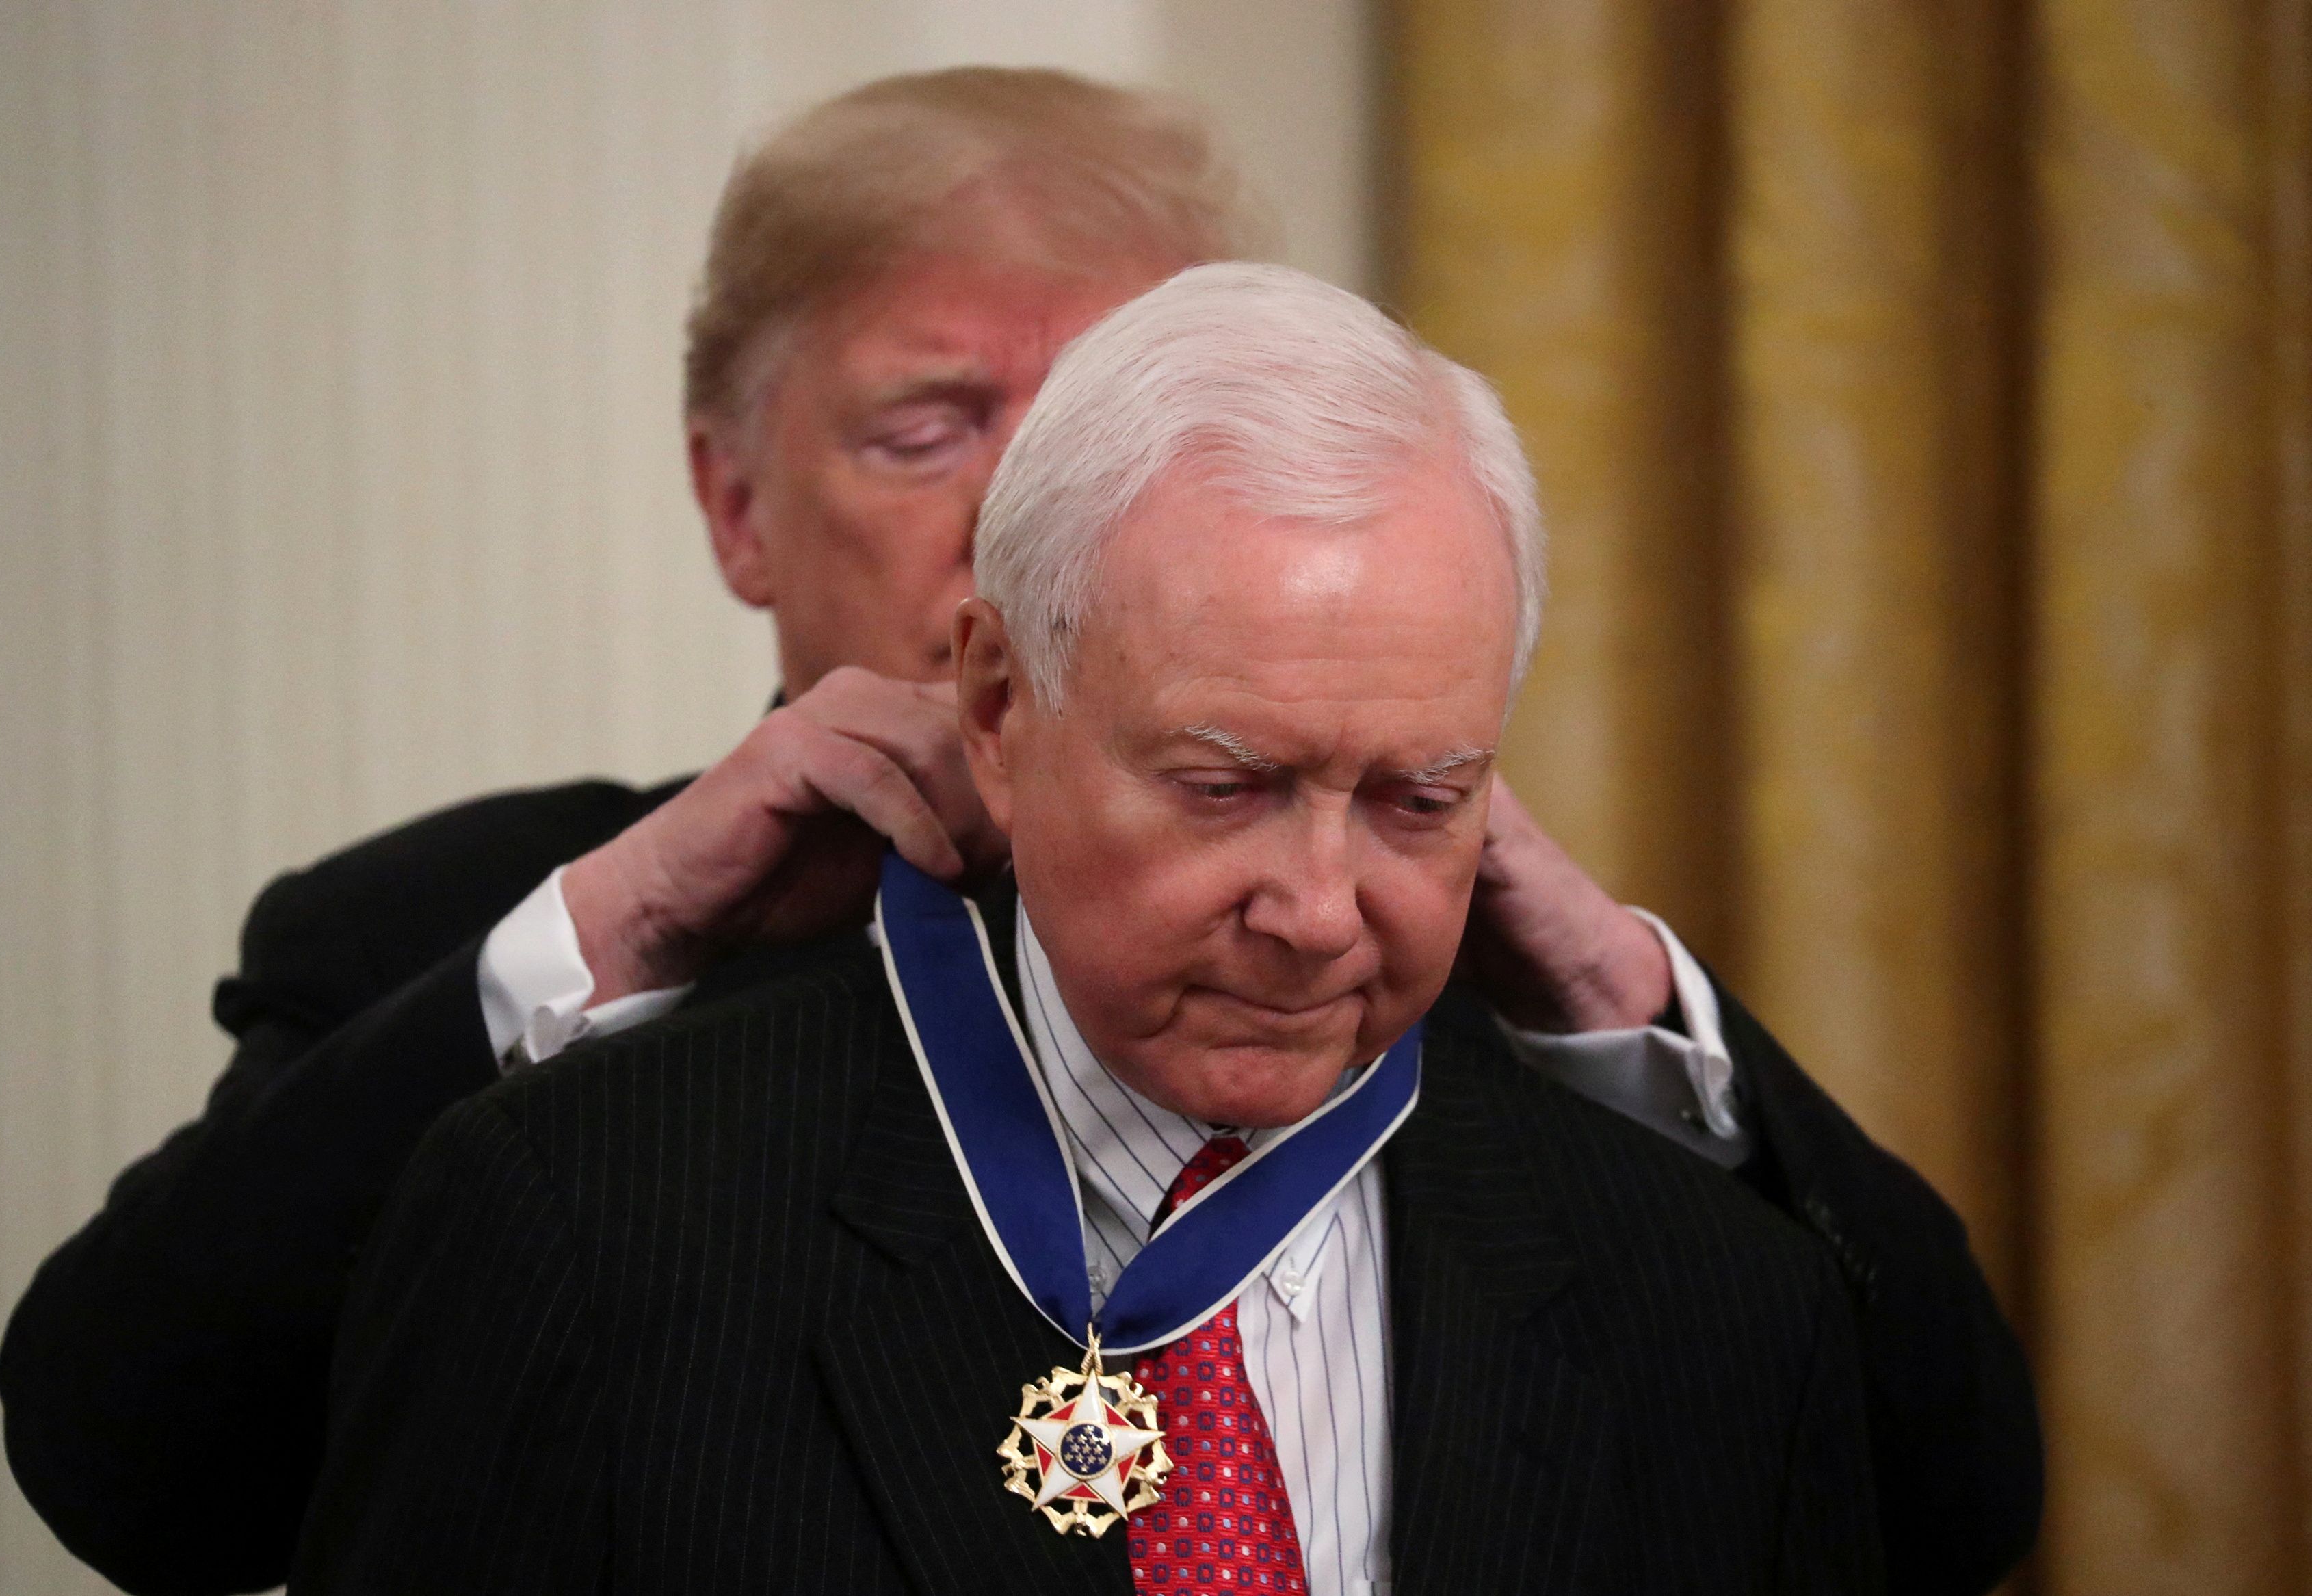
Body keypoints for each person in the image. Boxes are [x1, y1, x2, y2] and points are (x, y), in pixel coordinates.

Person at [0, 69, 2038, 1596]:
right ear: (732, 498)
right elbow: (140, 1467)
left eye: (1130, 418)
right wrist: (622, 932)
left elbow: (1930, 1495)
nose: (1031, 501)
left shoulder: (1388, 959)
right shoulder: (490, 959)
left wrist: (1617, 994)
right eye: (934, 422)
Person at [292, 262, 1886, 1594]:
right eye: (1223, 785)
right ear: (997, 700)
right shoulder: (587, 1221)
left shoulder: (1716, 1305)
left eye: (1417, 798)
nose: (1318, 914)